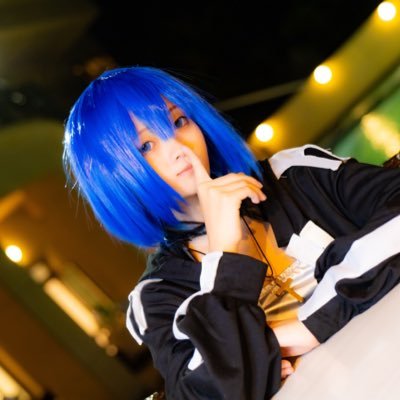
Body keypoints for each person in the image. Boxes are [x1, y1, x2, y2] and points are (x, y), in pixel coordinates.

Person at [63, 66, 400, 400]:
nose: (178, 147)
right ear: (115, 178)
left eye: (178, 122)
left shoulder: (293, 174)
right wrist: (224, 252)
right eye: (145, 146)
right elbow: (209, 391)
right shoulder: (156, 296)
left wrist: (305, 328)